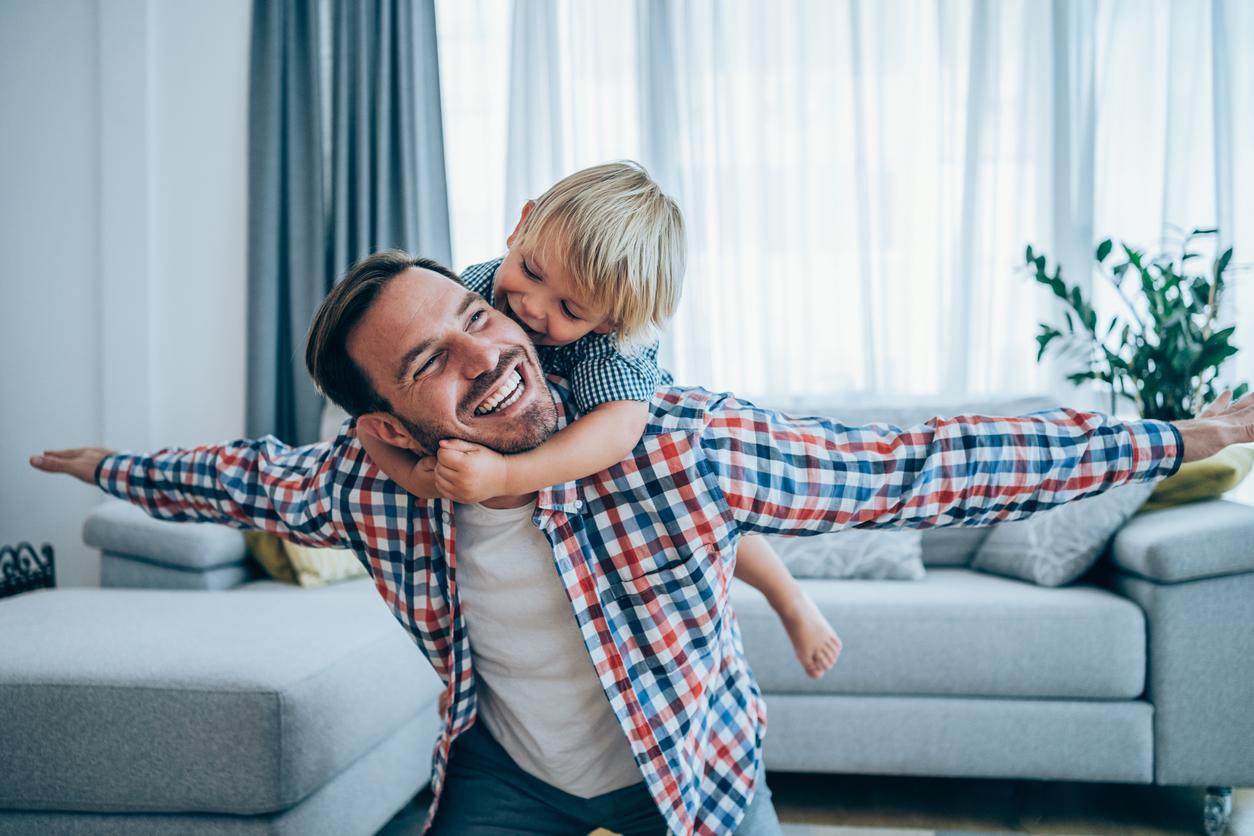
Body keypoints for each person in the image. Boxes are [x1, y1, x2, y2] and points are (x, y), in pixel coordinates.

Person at [32, 252, 1253, 835]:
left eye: (476, 316)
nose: (487, 356)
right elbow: (239, 474)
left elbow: (920, 463)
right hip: (512, 777)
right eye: (429, 364)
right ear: (385, 420)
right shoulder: (374, 482)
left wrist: (1170, 434)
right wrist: (108, 467)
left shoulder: (671, 440)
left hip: (691, 765)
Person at [359, 161, 840, 679]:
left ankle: (789, 598)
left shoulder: (614, 347)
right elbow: (369, 423)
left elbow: (618, 431)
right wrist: (415, 477)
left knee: (703, 511)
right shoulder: (472, 291)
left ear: (608, 320)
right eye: (532, 271)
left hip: (633, 458)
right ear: (522, 225)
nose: (530, 306)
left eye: (569, 308)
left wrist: (505, 476)